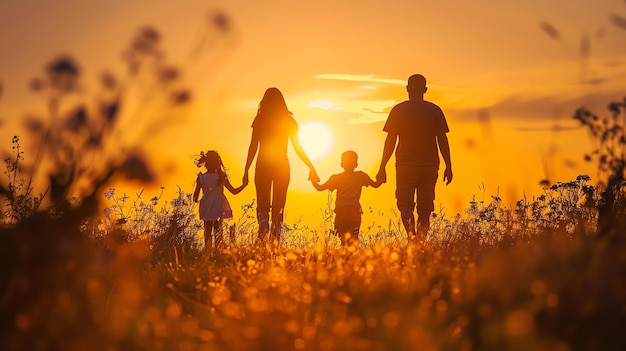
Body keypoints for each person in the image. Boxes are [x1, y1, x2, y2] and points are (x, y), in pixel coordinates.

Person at [376, 74, 453, 244]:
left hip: (405, 166)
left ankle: (412, 239)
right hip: (429, 166)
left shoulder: (399, 110)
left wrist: (382, 167)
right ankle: (420, 243)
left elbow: (390, 140)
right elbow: (442, 140)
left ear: (407, 89)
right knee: (425, 209)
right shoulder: (434, 110)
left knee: (405, 206)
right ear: (425, 90)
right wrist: (449, 165)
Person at [243, 87, 319, 244]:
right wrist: (310, 166)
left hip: (263, 163)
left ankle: (263, 230)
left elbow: (253, 147)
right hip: (282, 165)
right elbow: (298, 147)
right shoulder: (288, 121)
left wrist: (246, 170)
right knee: (279, 204)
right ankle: (275, 240)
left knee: (262, 201)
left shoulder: (260, 119)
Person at [311, 150, 382, 247]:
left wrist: (313, 178)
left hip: (342, 212)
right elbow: (376, 185)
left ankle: (345, 259)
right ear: (356, 164)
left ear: (341, 164)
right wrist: (382, 173)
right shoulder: (361, 176)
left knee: (343, 241)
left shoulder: (336, 178)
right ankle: (353, 260)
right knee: (353, 241)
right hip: (355, 211)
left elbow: (319, 188)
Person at [193, 150, 247, 253]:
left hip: (206, 206)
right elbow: (234, 191)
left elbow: (195, 197)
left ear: (206, 163)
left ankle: (207, 253)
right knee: (218, 231)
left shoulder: (201, 177)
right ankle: (218, 252)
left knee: (207, 231)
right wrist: (244, 185)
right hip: (218, 205)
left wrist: (203, 196)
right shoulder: (221, 176)